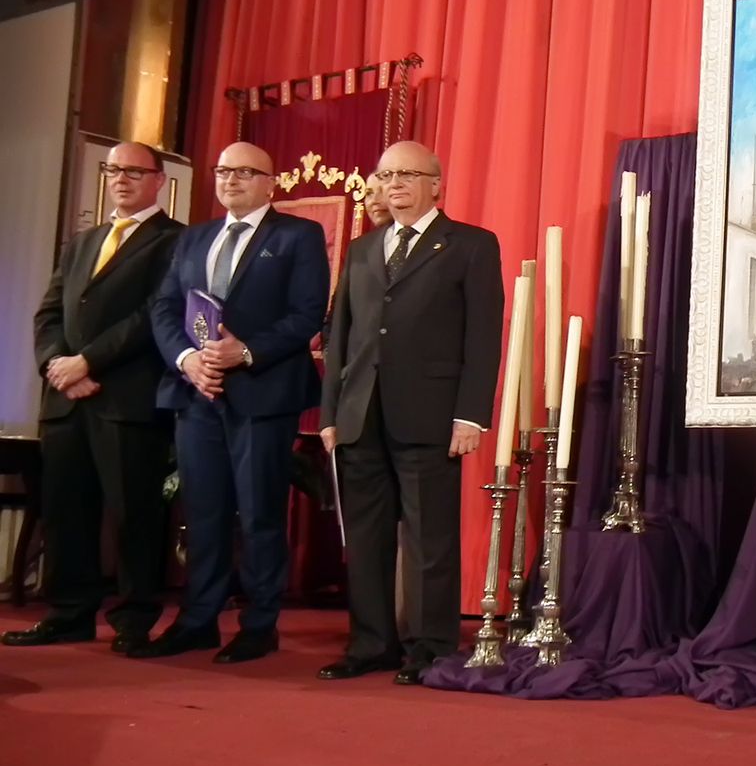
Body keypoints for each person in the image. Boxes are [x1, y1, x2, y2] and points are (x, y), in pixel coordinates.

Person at [316, 141, 503, 685]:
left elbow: (483, 337)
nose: (393, 184)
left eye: (406, 175)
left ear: (436, 185)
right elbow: (340, 336)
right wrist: (330, 413)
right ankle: (371, 644)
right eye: (385, 175)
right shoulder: (362, 250)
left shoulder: (470, 245)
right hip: (360, 414)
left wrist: (471, 415)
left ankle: (430, 648)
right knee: (366, 539)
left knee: (429, 539)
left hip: (431, 414)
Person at [135, 141, 329, 662]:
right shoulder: (195, 237)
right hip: (197, 393)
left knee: (259, 512)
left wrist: (244, 351)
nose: (231, 180)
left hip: (261, 393)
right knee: (203, 512)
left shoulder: (298, 236)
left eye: (244, 172)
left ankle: (259, 625)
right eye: (223, 171)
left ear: (271, 183)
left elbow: (308, 313)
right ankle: (198, 620)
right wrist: (186, 360)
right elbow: (164, 307)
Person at [4, 143, 185, 653]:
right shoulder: (83, 242)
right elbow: (49, 314)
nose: (121, 179)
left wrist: (88, 362)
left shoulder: (175, 241)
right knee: (66, 512)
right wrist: (57, 366)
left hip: (127, 399)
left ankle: (134, 618)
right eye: (113, 170)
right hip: (68, 400)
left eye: (133, 172)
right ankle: (69, 613)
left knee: (133, 514)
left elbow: (153, 314)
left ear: (158, 180)